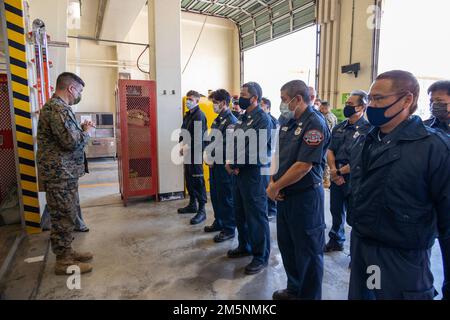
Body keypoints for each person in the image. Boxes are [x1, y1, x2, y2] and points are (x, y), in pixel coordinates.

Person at [348, 70, 450, 300]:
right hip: (364, 246)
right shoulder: (366, 140)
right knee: (368, 293)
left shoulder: (434, 148)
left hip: (401, 257)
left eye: (379, 99)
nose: (371, 105)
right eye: (370, 99)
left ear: (407, 100)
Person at [268, 80, 330, 300]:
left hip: (305, 198)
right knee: (288, 246)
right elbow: (277, 155)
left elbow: (304, 166)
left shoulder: (315, 123)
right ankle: (295, 289)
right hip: (285, 195)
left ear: (298, 99)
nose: (282, 104)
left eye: (284, 99)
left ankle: (309, 296)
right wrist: (272, 182)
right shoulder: (287, 120)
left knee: (309, 252)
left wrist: (276, 186)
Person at [37, 72, 94, 275]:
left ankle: (68, 252)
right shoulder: (57, 109)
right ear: (71, 88)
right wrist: (87, 133)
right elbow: (70, 142)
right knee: (62, 216)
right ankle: (63, 262)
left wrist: (80, 129)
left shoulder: (60, 109)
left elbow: (66, 137)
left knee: (67, 214)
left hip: (64, 172)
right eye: (79, 90)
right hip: (59, 174)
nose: (79, 94)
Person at [225, 82, 273, 275]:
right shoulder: (242, 118)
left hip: (253, 174)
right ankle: (245, 246)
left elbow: (256, 150)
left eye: (243, 95)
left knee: (256, 216)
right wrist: (231, 161)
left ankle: (260, 256)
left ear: (254, 98)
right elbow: (234, 143)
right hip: (238, 173)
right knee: (240, 212)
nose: (239, 99)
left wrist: (235, 164)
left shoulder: (263, 119)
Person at [324, 90, 372, 253]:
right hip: (336, 173)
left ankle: (356, 252)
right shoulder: (339, 127)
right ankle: (336, 241)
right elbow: (330, 150)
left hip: (355, 178)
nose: (347, 107)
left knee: (356, 217)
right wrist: (333, 170)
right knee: (336, 212)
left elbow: (362, 157)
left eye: (351, 105)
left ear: (362, 107)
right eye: (346, 104)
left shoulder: (369, 130)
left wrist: (339, 172)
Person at [425, 80, 450, 300]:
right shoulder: (425, 127)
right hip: (431, 204)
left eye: (440, 101)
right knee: (422, 251)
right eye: (432, 101)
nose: (435, 105)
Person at [203, 89, 238, 242]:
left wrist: (212, 155)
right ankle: (219, 222)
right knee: (216, 196)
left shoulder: (231, 121)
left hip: (224, 166)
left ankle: (229, 228)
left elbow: (228, 145)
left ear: (224, 103)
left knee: (225, 198)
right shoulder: (218, 119)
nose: (213, 106)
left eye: (215, 103)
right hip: (214, 165)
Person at [178, 90, 208, 225]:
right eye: (188, 99)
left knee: (198, 180)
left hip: (195, 153)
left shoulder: (199, 115)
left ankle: (202, 210)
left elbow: (198, 137)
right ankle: (192, 204)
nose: (188, 101)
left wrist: (187, 147)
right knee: (189, 179)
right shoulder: (188, 115)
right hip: (187, 153)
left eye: (191, 99)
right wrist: (181, 146)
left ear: (197, 101)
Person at [261, 97, 278, 221]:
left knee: (268, 183)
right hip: (264, 156)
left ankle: (272, 210)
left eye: (262, 105)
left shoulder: (271, 120)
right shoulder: (261, 119)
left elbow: (273, 142)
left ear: (268, 108)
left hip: (270, 156)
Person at [319, 101, 338, 189]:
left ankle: (326, 180)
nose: (321, 110)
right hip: (332, 140)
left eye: (322, 108)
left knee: (326, 162)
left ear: (326, 108)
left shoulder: (327, 117)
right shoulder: (333, 116)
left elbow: (326, 130)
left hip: (327, 141)